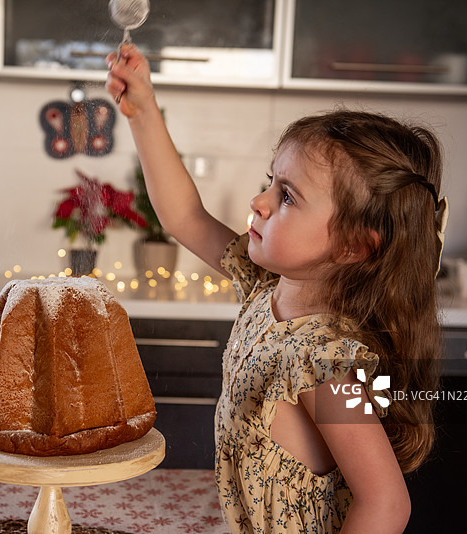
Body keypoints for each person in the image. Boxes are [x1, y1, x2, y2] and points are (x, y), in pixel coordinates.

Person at [106, 44, 448, 534]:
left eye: (286, 195)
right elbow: (184, 217)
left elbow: (386, 504)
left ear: (353, 245)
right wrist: (142, 111)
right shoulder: (263, 287)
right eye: (272, 182)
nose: (258, 201)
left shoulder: (323, 363)